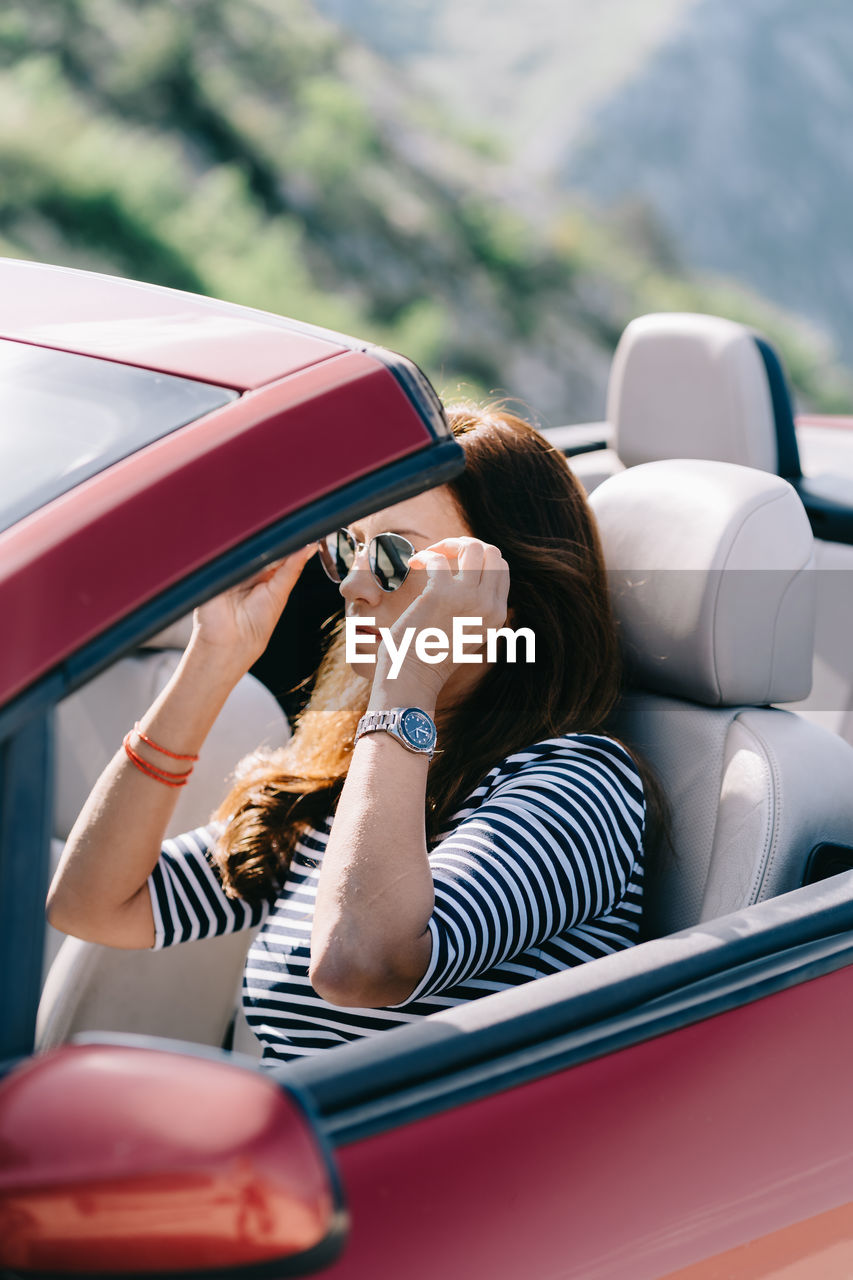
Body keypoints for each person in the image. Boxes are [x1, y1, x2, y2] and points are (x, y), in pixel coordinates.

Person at [47, 403, 647, 1065]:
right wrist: (215, 656)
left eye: (394, 555)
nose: (355, 583)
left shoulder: (579, 783)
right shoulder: (348, 784)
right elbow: (93, 906)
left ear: (507, 600)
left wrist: (404, 683)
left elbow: (361, 965)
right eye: (349, 547)